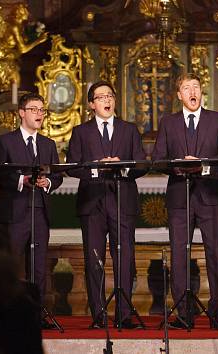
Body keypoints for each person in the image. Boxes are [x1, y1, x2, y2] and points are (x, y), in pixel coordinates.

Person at [152, 72, 218, 329]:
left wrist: (205, 167)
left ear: (202, 92)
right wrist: (179, 168)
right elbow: (158, 159)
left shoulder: (217, 120)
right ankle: (182, 312)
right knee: (179, 254)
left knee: (215, 252)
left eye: (196, 87)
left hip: (210, 194)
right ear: (179, 95)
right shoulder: (168, 122)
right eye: (187, 88)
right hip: (180, 196)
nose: (193, 92)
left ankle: (216, 311)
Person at [66, 81, 146, 329]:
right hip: (93, 203)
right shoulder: (81, 132)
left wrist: (122, 165)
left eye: (110, 95)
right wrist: (95, 168)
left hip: (122, 200)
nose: (106, 100)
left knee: (124, 258)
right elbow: (73, 166)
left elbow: (141, 164)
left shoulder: (129, 129)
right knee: (94, 260)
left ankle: (124, 315)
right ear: (91, 104)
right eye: (100, 97)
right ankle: (98, 315)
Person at [0, 93, 62, 299]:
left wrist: (47, 182)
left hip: (40, 212)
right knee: (11, 263)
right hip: (14, 213)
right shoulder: (5, 142)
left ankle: (37, 313)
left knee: (39, 266)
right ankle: (9, 310)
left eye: (42, 110)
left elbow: (56, 176)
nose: (39, 114)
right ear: (21, 113)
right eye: (34, 109)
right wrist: (22, 180)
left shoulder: (48, 144)